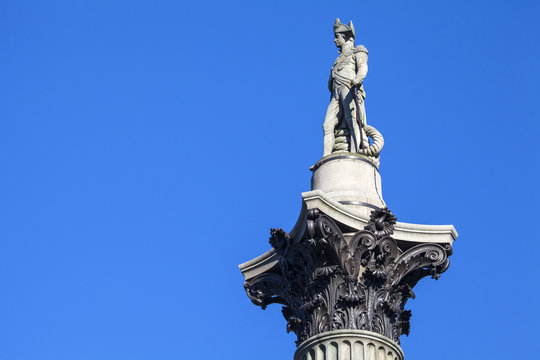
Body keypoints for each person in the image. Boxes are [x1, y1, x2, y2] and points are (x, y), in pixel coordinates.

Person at [323, 18, 369, 156]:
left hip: (349, 88)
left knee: (353, 121)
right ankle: (326, 156)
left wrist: (357, 80)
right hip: (336, 94)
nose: (334, 40)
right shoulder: (338, 59)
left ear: (345, 37)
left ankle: (356, 153)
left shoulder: (358, 51)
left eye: (337, 37)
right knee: (327, 125)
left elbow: (363, 67)